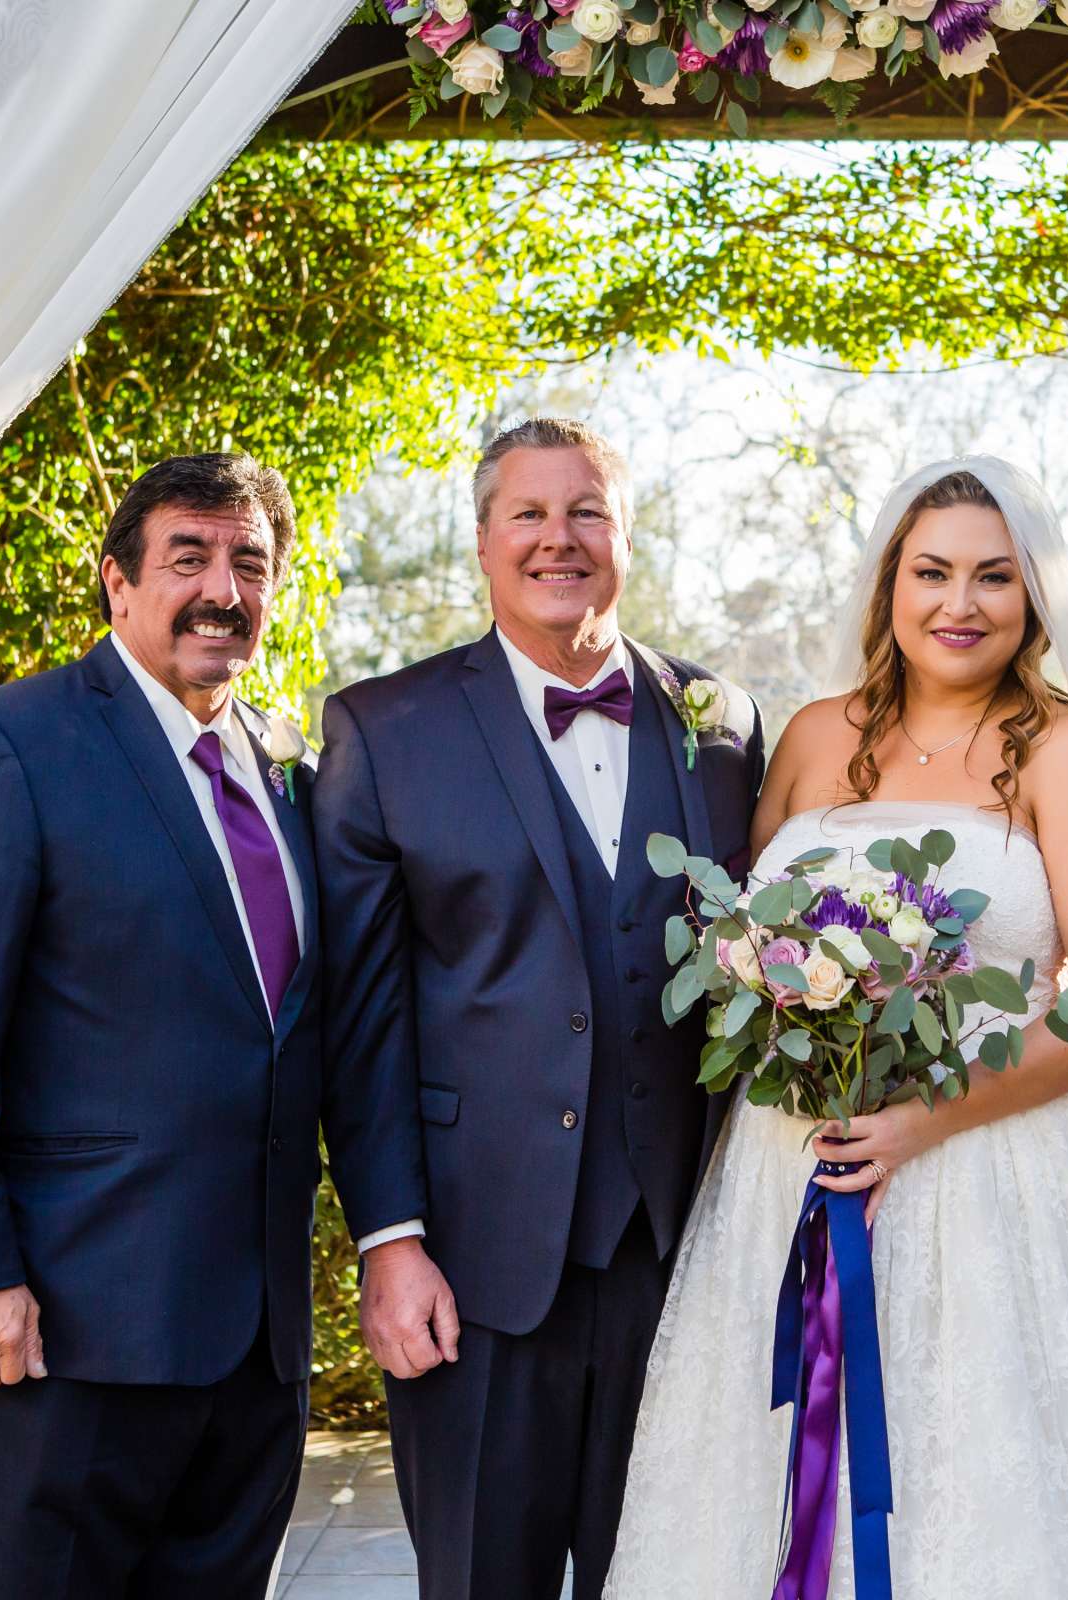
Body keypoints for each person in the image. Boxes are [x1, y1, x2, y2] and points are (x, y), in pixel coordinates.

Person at [605, 458, 1068, 1599]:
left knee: (978, 1481)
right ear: (888, 586)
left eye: (993, 578)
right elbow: (745, 944)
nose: (959, 604)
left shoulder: (1065, 752)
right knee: (758, 1475)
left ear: (1032, 599)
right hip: (792, 1168)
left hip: (1001, 1170)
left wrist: (932, 1115)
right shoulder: (815, 738)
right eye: (933, 573)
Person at [311, 418, 768, 1599]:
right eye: (529, 513)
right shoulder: (383, 728)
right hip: (473, 1265)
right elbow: (360, 1019)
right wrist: (389, 1241)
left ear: (625, 535)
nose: (558, 539)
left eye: (587, 512)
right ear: (482, 540)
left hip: (679, 1255)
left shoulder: (724, 724)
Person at [0, 454, 323, 1598]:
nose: (223, 587)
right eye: (189, 558)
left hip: (255, 1347)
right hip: (66, 1331)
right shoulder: (8, 743)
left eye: (249, 564)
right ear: (118, 583)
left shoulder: (291, 775)